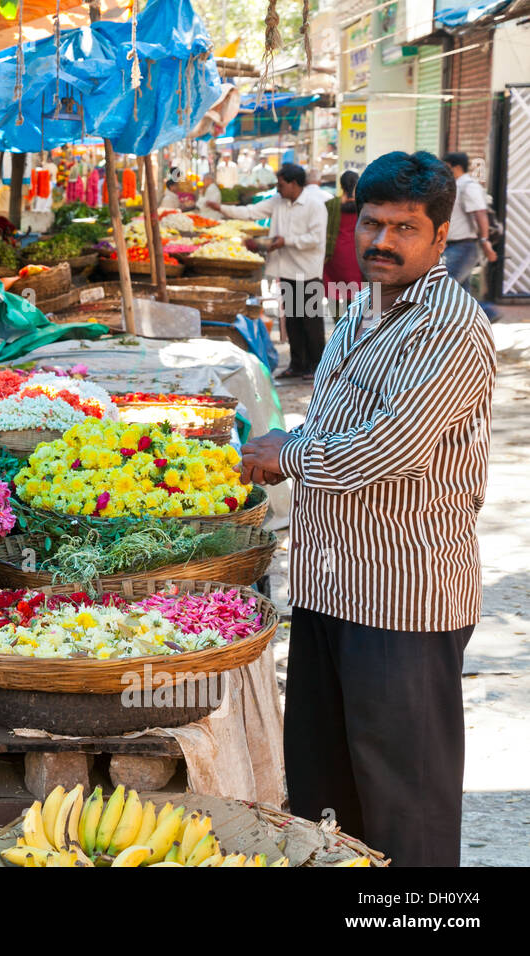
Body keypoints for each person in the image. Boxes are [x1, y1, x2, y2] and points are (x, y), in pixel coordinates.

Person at [238, 151, 496, 867]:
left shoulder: (448, 326)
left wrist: (283, 456)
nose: (382, 241)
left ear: (442, 237)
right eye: (373, 224)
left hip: (402, 600)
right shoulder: (366, 306)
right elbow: (330, 424)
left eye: (405, 229)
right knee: (329, 798)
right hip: (328, 587)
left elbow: (389, 450)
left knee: (404, 805)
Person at [207, 163, 329, 380]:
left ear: (293, 184)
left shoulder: (315, 205)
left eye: (281, 184)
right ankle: (298, 364)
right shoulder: (278, 201)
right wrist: (222, 209)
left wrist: (286, 241)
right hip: (287, 270)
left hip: (308, 271)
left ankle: (318, 366)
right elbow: (251, 212)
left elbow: (316, 239)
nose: (278, 188)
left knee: (311, 321)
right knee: (292, 321)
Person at [441, 152, 499, 318]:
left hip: (464, 246)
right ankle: (480, 315)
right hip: (456, 246)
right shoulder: (457, 185)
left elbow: (480, 213)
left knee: (444, 286)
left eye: (446, 166)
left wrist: (485, 240)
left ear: (455, 167)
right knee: (461, 292)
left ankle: (487, 312)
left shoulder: (468, 186)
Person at [322, 170, 361, 317]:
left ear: (341, 185)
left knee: (334, 295)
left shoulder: (331, 205)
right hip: (356, 256)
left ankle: (339, 326)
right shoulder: (363, 206)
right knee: (357, 295)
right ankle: (353, 331)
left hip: (334, 257)